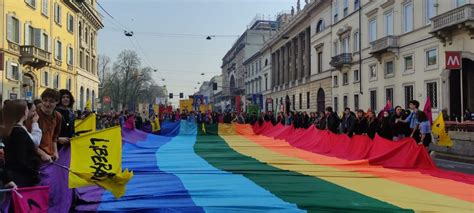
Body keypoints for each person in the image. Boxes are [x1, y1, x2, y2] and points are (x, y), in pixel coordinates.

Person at [1, 100, 41, 188]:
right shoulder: (18, 132)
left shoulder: (12, 129)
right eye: (27, 109)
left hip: (16, 175)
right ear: (23, 112)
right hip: (21, 177)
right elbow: (21, 159)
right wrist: (34, 171)